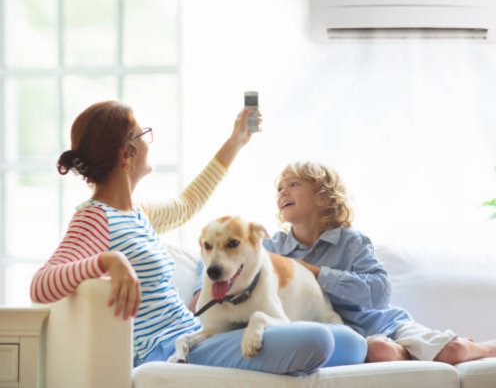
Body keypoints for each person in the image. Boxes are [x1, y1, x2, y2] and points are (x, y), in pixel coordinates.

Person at [30, 101, 366, 375]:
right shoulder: (94, 218)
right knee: (318, 341)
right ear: (126, 154)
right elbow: (42, 285)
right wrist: (108, 260)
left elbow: (188, 203)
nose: (149, 140)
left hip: (196, 334)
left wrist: (237, 140)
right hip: (168, 350)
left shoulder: (138, 215)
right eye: (143, 134)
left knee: (352, 343)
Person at [261, 161, 496, 364]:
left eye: (293, 184)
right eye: (279, 188)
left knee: (455, 351)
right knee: (380, 351)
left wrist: (317, 273)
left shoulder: (351, 241)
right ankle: (424, 353)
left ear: (322, 196)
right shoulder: (272, 249)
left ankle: (481, 348)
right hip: (354, 338)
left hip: (384, 324)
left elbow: (379, 293)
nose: (282, 192)